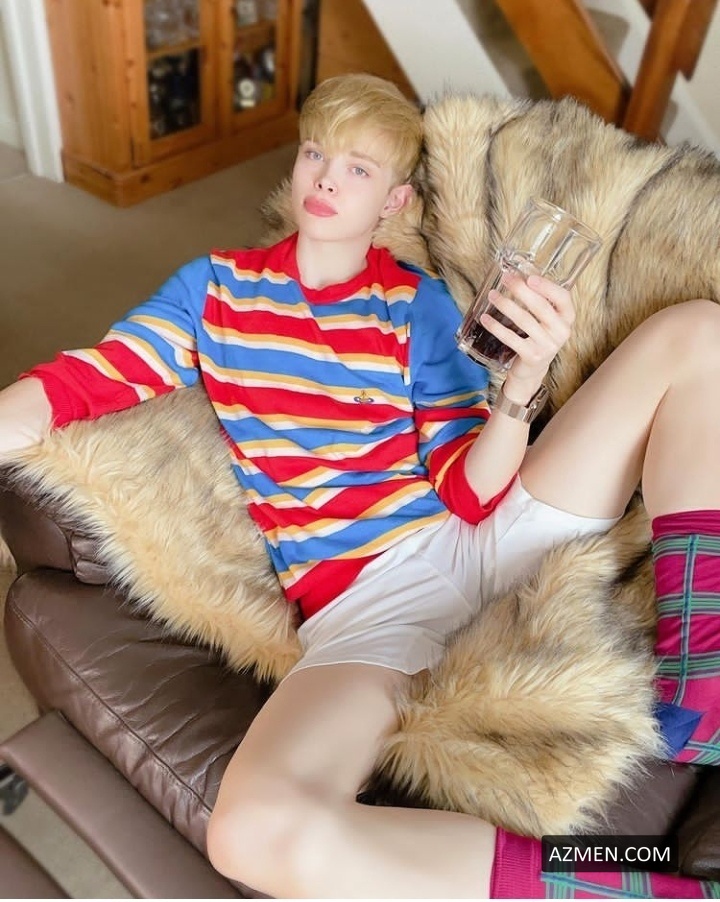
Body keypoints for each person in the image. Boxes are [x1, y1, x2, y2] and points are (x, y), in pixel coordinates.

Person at [1, 72, 719, 898]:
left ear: (394, 202)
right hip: (366, 603)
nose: (328, 179)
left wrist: (522, 389)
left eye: (359, 168)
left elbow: (469, 489)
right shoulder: (215, 290)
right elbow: (91, 379)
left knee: (698, 334)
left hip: (485, 532)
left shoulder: (415, 303)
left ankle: (704, 699)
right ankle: (647, 886)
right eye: (316, 154)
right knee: (250, 832)